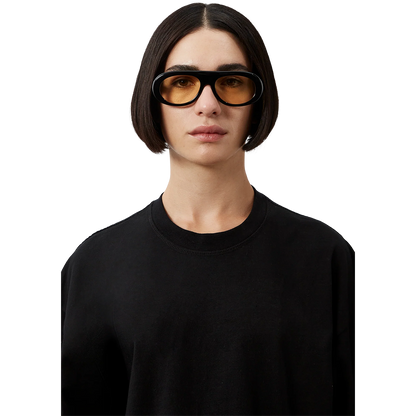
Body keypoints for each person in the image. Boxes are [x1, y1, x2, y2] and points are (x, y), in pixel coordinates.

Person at [58, 1, 358, 415]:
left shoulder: (323, 256)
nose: (208, 104)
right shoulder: (95, 264)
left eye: (231, 82)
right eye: (182, 82)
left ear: (258, 100)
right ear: (152, 99)